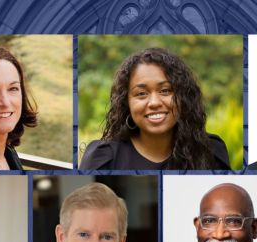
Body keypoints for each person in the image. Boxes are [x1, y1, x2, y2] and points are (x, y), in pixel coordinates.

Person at [80, 47, 230, 170]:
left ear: (184, 97)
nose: (154, 102)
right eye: (141, 94)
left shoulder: (211, 151)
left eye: (165, 91)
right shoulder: (103, 158)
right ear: (127, 103)